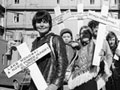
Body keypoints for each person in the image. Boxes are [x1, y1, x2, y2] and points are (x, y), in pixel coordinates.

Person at [29, 10, 68, 90]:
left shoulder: (55, 39)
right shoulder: (35, 43)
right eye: (39, 22)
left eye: (45, 22)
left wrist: (55, 84)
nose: (42, 25)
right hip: (35, 85)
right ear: (35, 24)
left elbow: (63, 63)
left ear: (50, 24)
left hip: (49, 85)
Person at [68, 26, 98, 90]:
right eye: (82, 33)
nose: (84, 35)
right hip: (76, 80)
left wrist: (99, 57)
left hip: (89, 77)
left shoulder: (95, 46)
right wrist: (73, 44)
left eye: (86, 33)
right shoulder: (76, 46)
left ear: (90, 35)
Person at [88, 20, 113, 90]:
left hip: (101, 72)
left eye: (98, 27)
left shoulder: (104, 41)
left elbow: (109, 55)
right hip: (90, 72)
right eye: (94, 27)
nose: (96, 29)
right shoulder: (88, 41)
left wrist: (106, 67)